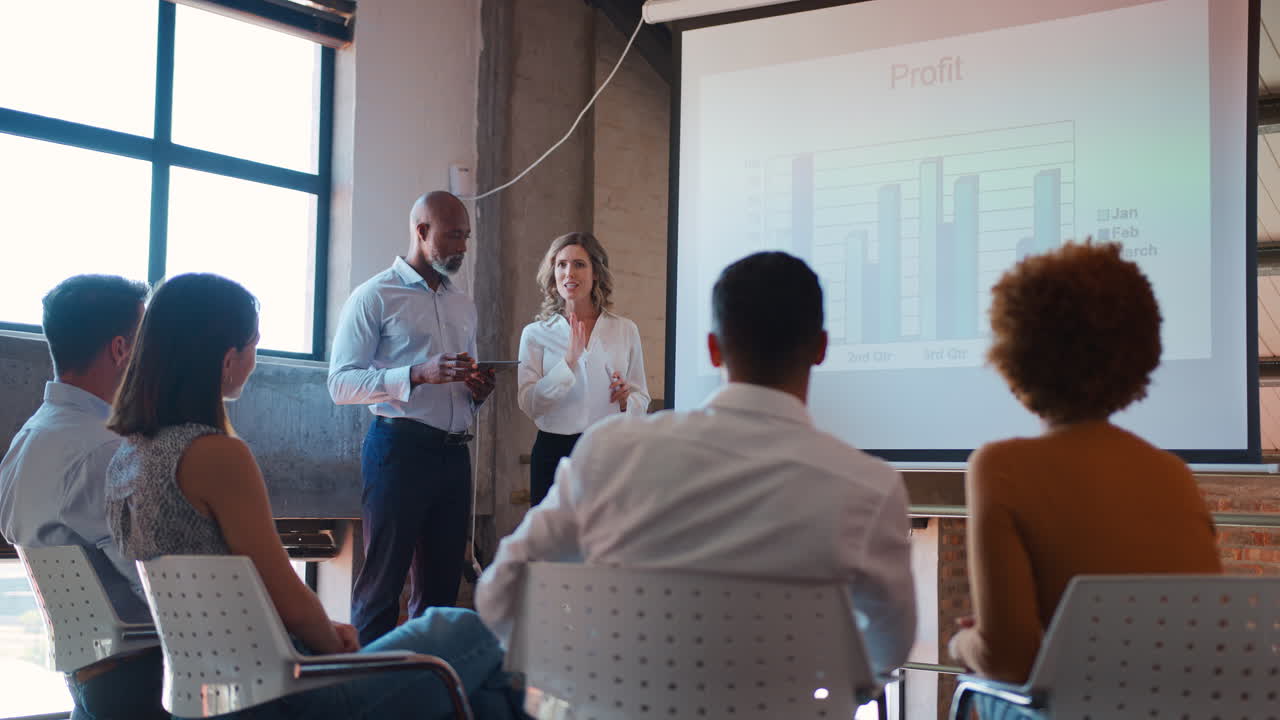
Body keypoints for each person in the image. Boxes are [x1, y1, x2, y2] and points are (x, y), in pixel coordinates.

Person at [477, 251, 916, 675]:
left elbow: (499, 595)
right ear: (821, 348)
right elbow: (886, 651)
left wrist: (584, 674)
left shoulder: (611, 452)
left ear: (713, 350)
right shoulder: (871, 489)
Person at [105, 273, 520, 719]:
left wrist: (323, 632)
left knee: (480, 695)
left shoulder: (127, 457)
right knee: (463, 627)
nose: (254, 359)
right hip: (286, 696)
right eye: (253, 346)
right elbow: (289, 597)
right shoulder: (214, 455)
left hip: (208, 696)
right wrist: (334, 649)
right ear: (227, 359)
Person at [946, 242, 1222, 718]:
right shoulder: (1173, 474)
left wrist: (963, 642)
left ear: (1014, 355)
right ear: (1141, 353)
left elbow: (1009, 663)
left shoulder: (1000, 467)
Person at [327, 191, 496, 645]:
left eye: (466, 236)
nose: (463, 246)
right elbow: (340, 384)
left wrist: (477, 391)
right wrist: (415, 374)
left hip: (454, 456)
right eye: (453, 235)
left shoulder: (464, 304)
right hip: (398, 453)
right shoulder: (374, 296)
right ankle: (364, 696)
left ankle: (426, 691)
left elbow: (461, 379)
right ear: (421, 232)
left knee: (441, 596)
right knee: (382, 587)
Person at [0, 275, 165, 720]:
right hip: (150, 682)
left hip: (91, 682)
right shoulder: (105, 452)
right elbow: (165, 590)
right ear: (120, 349)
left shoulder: (28, 440)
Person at [517, 232, 649, 506]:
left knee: (606, 543)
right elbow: (530, 404)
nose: (569, 273)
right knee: (552, 546)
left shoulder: (625, 330)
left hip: (608, 453)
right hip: (553, 454)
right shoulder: (535, 334)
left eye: (579, 264)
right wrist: (567, 363)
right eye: (561, 264)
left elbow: (642, 399)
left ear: (596, 272)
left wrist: (627, 401)